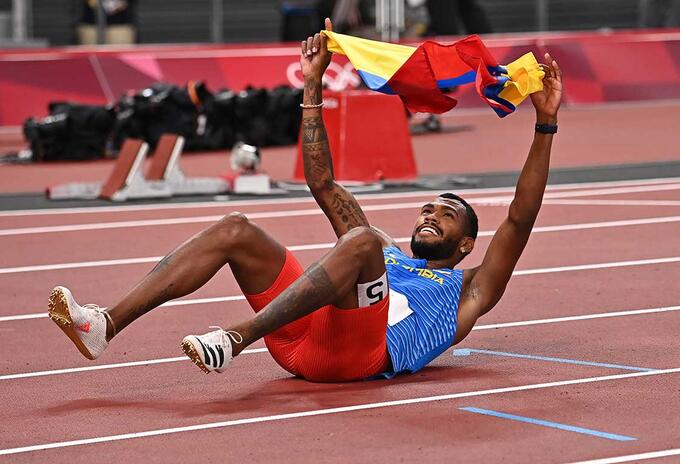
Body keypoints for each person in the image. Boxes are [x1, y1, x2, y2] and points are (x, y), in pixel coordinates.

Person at [48, 18, 562, 382]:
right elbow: (324, 184)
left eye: (446, 215)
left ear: (467, 244)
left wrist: (544, 124)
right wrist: (312, 85)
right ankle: (103, 324)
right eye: (429, 208)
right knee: (237, 227)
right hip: (300, 336)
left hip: (356, 358)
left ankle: (235, 337)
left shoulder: (469, 288)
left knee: (361, 241)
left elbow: (520, 217)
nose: (430, 214)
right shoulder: (383, 251)